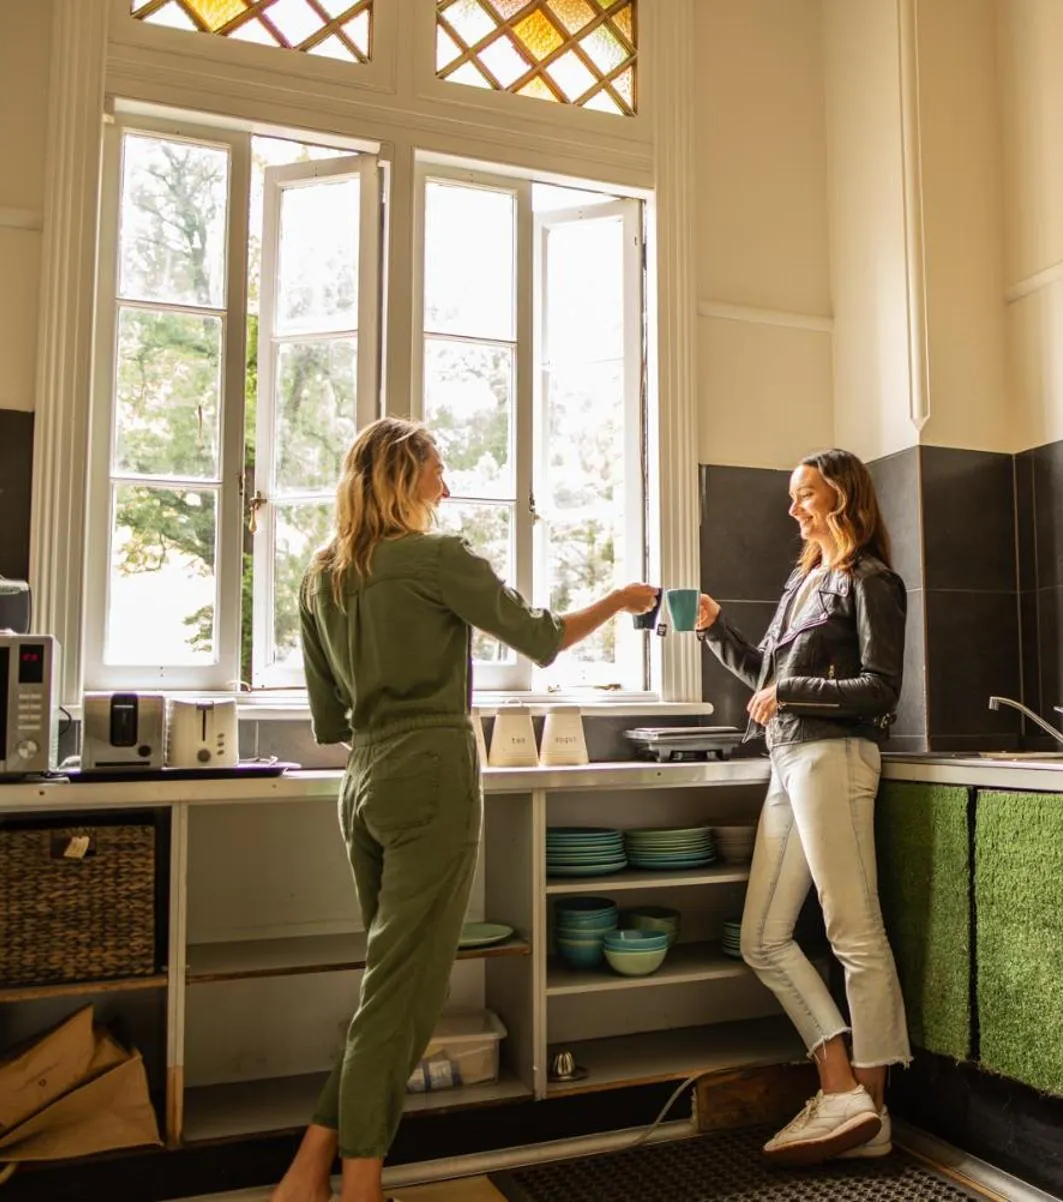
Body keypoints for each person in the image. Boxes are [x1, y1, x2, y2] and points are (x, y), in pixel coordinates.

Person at [273, 417, 658, 1202]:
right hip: (431, 772)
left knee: (391, 983)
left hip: (364, 781)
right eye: (436, 471)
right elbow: (543, 639)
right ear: (402, 476)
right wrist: (619, 599)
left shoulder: (321, 579)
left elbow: (327, 721)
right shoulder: (434, 558)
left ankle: (308, 1171)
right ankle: (362, 1185)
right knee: (406, 993)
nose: (445, 488)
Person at [695, 447, 911, 1166]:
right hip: (787, 759)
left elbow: (880, 690)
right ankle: (839, 1087)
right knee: (762, 937)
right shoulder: (803, 582)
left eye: (807, 495)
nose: (794, 509)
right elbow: (766, 674)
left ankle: (873, 1115)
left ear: (843, 499)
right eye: (794, 497)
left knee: (854, 934)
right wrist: (711, 626)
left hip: (834, 758)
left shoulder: (871, 581)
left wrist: (790, 694)